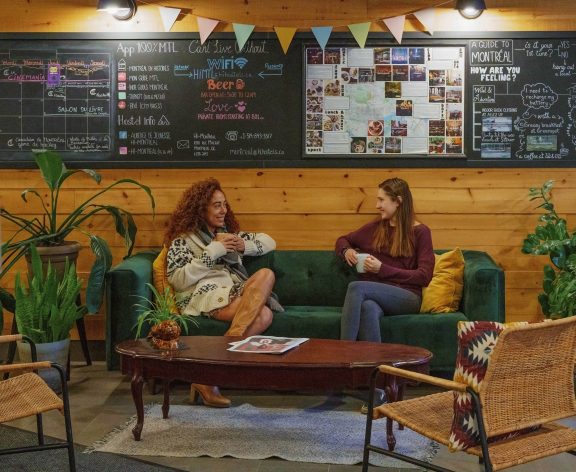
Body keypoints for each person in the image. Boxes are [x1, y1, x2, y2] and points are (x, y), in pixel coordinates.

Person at [164, 178, 281, 408]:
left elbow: (270, 241)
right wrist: (214, 251)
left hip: (233, 292)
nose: (223, 210)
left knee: (266, 285)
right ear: (201, 208)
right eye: (217, 205)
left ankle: (208, 374)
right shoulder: (184, 240)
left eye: (225, 205)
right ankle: (212, 373)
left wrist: (242, 245)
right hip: (204, 295)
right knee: (264, 314)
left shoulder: (228, 234)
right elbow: (177, 279)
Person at [335, 177, 435, 344]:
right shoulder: (376, 227)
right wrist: (347, 251)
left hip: (408, 297)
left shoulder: (421, 232)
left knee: (356, 287)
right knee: (369, 308)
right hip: (378, 294)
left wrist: (381, 269)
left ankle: (344, 353)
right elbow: (342, 240)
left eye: (381, 200)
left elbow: (424, 276)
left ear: (398, 201)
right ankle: (375, 366)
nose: (377, 205)